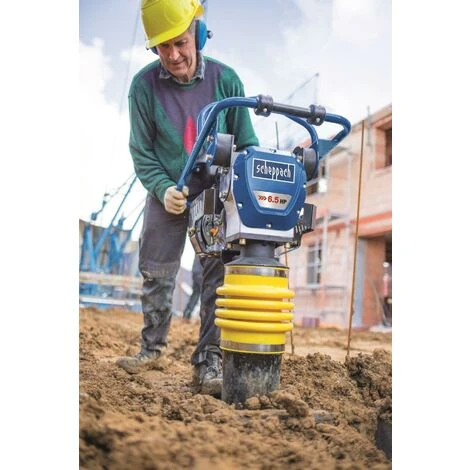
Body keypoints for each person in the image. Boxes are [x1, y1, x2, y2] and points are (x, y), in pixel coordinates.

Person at [116, 0, 259, 397]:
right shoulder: (143, 87)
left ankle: (209, 361)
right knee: (156, 270)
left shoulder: (226, 81)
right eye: (163, 46)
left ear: (197, 34)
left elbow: (247, 143)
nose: (174, 55)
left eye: (180, 42)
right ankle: (152, 349)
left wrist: (238, 187)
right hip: (168, 190)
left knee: (217, 274)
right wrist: (163, 188)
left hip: (214, 192)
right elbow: (142, 152)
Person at [182, 255, 202, 320]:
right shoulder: (205, 251)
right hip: (201, 274)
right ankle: (204, 317)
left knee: (195, 295)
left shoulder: (198, 252)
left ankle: (186, 314)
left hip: (196, 273)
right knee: (203, 296)